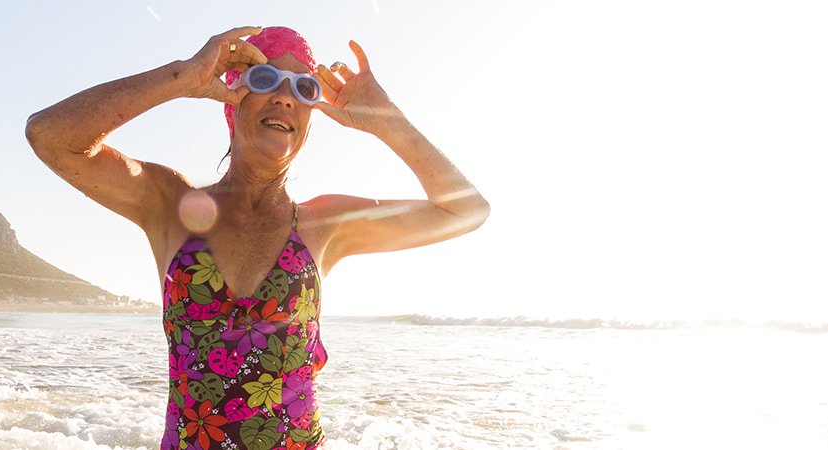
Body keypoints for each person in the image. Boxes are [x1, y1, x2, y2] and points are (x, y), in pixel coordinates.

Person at [27, 26, 488, 450]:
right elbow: (50, 136)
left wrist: (388, 121)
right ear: (233, 98)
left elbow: (465, 211)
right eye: (266, 79)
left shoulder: (326, 224)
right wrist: (182, 77)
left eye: (303, 88)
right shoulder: (169, 204)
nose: (286, 98)